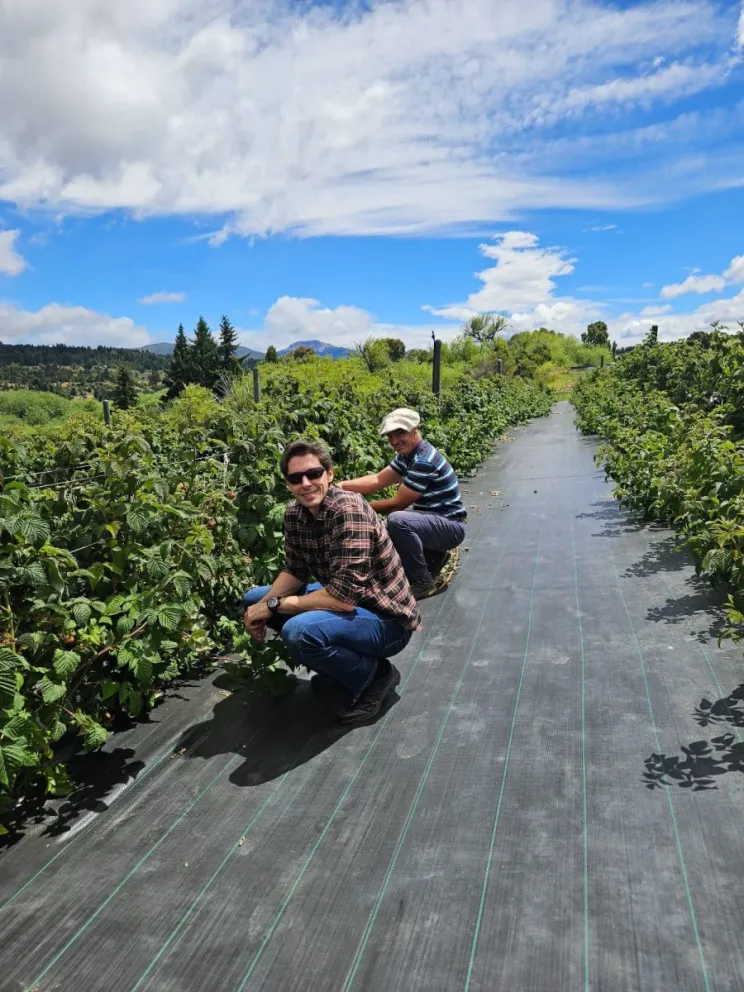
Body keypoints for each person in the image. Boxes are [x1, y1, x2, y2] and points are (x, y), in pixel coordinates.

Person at [241, 439, 421, 725]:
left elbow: (341, 598)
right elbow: (295, 571)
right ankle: (341, 667)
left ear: (330, 474)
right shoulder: (295, 514)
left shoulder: (347, 510)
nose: (306, 483)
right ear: (288, 483)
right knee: (253, 599)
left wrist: (275, 605)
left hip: (386, 618)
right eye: (295, 478)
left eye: (313, 474)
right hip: (349, 603)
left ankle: (375, 676)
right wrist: (263, 606)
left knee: (300, 632)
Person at [338, 407, 467, 598]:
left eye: (400, 433)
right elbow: (377, 480)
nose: (394, 441)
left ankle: (422, 582)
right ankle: (434, 557)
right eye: (390, 436)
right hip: (433, 521)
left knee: (397, 521)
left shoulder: (424, 461)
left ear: (414, 430)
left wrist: (356, 508)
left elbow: (398, 504)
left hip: (451, 526)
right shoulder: (408, 456)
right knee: (381, 528)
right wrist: (340, 487)